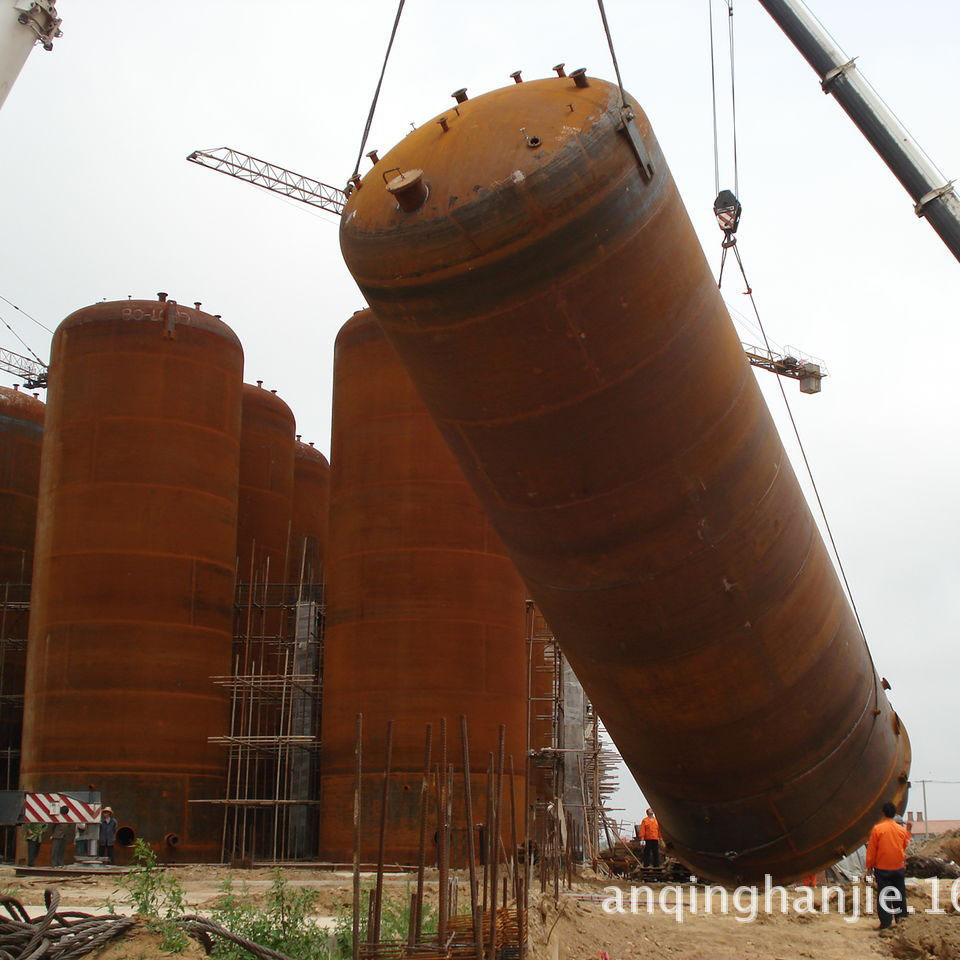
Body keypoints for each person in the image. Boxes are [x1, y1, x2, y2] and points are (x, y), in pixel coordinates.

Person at [866, 801, 910, 930]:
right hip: (898, 868)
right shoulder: (901, 830)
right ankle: (902, 921)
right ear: (895, 813)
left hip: (882, 869)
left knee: (884, 896)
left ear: (883, 813)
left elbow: (872, 849)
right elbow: (904, 846)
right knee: (900, 895)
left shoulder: (878, 829)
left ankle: (885, 923)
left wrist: (869, 866)